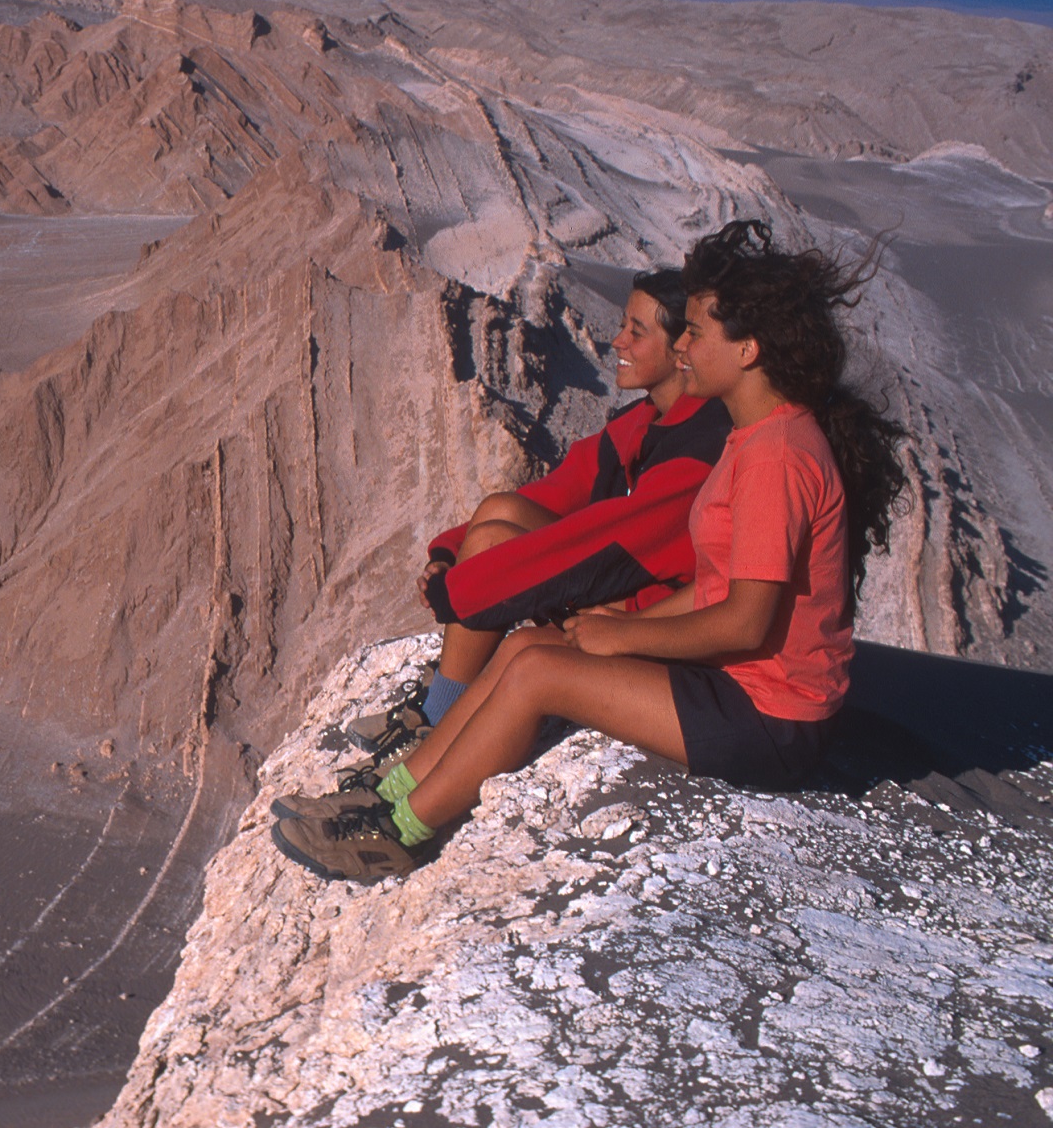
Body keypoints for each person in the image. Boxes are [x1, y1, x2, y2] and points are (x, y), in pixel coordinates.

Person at [274, 220, 906, 880]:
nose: (684, 346)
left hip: (770, 717)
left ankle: (398, 833)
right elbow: (719, 584)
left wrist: (625, 639)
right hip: (736, 684)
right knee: (526, 646)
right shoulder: (755, 438)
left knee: (539, 674)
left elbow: (747, 620)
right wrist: (623, 628)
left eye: (695, 331)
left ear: (748, 349)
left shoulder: (776, 456)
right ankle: (389, 792)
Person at [302, 270, 731, 810]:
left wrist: (469, 588)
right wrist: (449, 552)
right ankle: (441, 709)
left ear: (680, 350)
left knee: (491, 550)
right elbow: (560, 491)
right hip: (634, 586)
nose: (616, 341)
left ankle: (440, 719)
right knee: (499, 512)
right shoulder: (649, 420)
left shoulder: (698, 444)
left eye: (637, 331)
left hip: (654, 617)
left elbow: (605, 547)